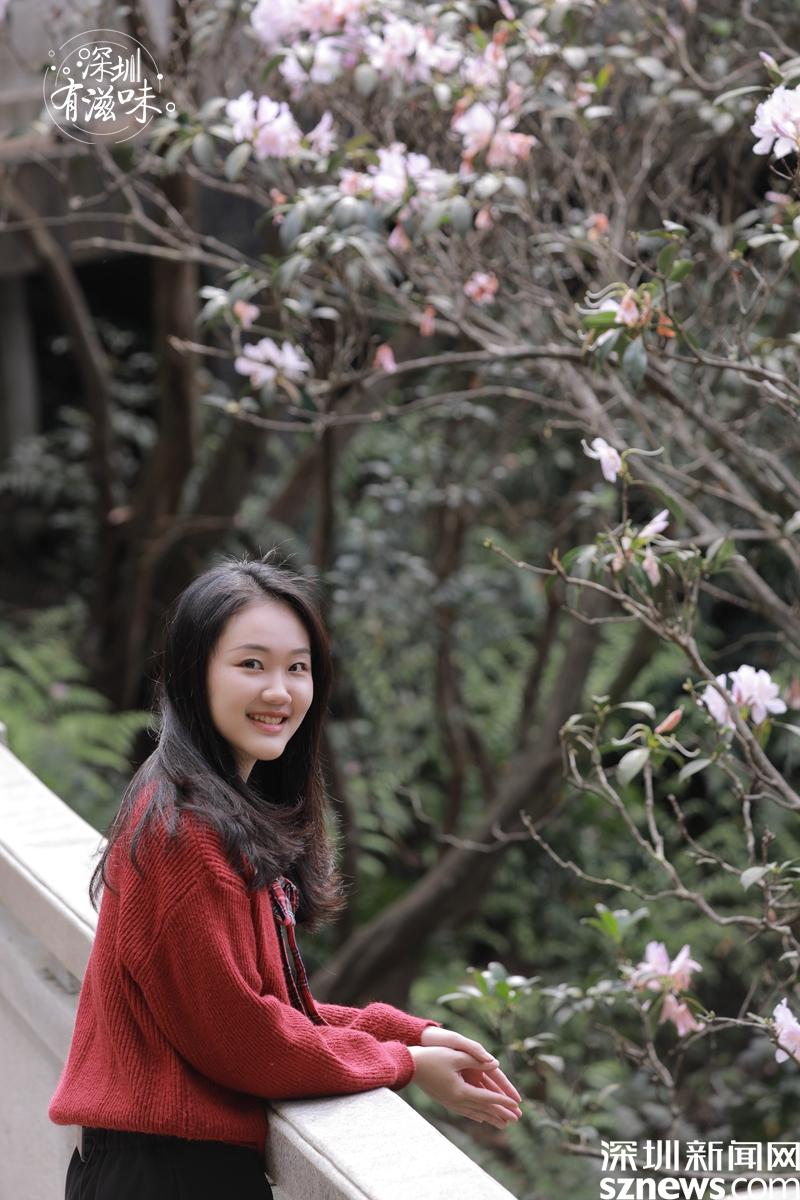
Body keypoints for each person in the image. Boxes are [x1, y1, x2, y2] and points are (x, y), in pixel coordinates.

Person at [49, 556, 522, 1199]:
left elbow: (268, 1009)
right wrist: (405, 1063)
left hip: (171, 1168)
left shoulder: (213, 811)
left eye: (297, 668)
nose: (280, 692)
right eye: (251, 664)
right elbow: (246, 1040)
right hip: (166, 1177)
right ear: (193, 673)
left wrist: (411, 1033)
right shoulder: (185, 829)